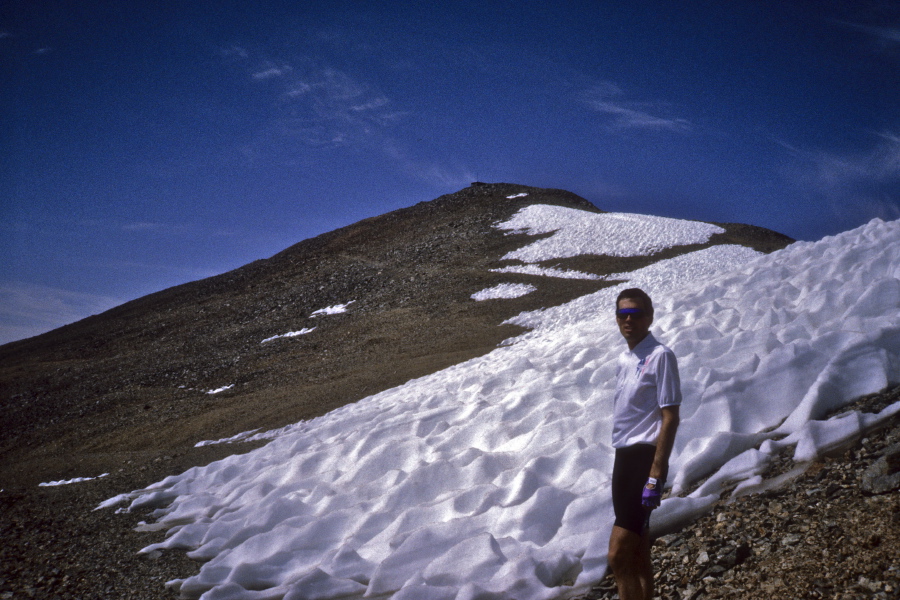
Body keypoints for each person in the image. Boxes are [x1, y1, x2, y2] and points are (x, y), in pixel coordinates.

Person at [607, 288, 681, 600]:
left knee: (618, 555)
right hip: (624, 458)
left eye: (635, 314)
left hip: (643, 459)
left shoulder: (660, 356)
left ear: (649, 317)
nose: (628, 319)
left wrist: (656, 473)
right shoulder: (626, 358)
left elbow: (670, 416)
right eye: (622, 314)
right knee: (638, 547)